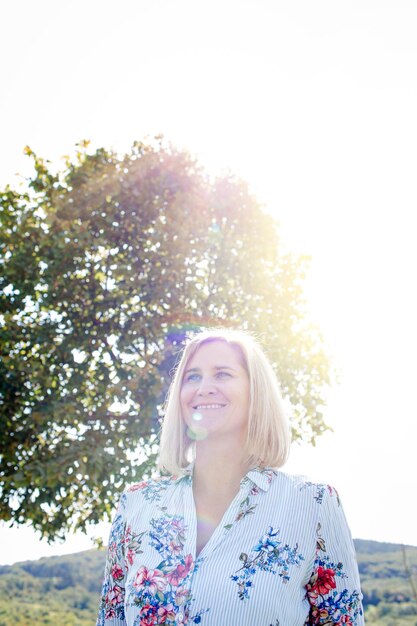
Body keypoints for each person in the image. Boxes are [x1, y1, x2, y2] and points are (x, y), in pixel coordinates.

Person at [96, 328, 364, 626]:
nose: (204, 387)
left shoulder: (313, 504)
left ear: (255, 392)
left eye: (222, 374)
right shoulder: (136, 505)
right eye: (192, 376)